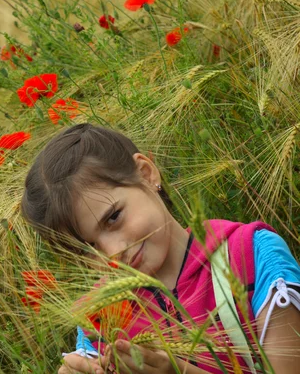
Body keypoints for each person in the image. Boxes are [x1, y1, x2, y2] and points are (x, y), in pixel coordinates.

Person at [20, 123, 300, 373]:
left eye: (113, 217)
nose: (113, 252)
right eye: (87, 248)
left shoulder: (251, 256)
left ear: (146, 173)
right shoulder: (102, 313)